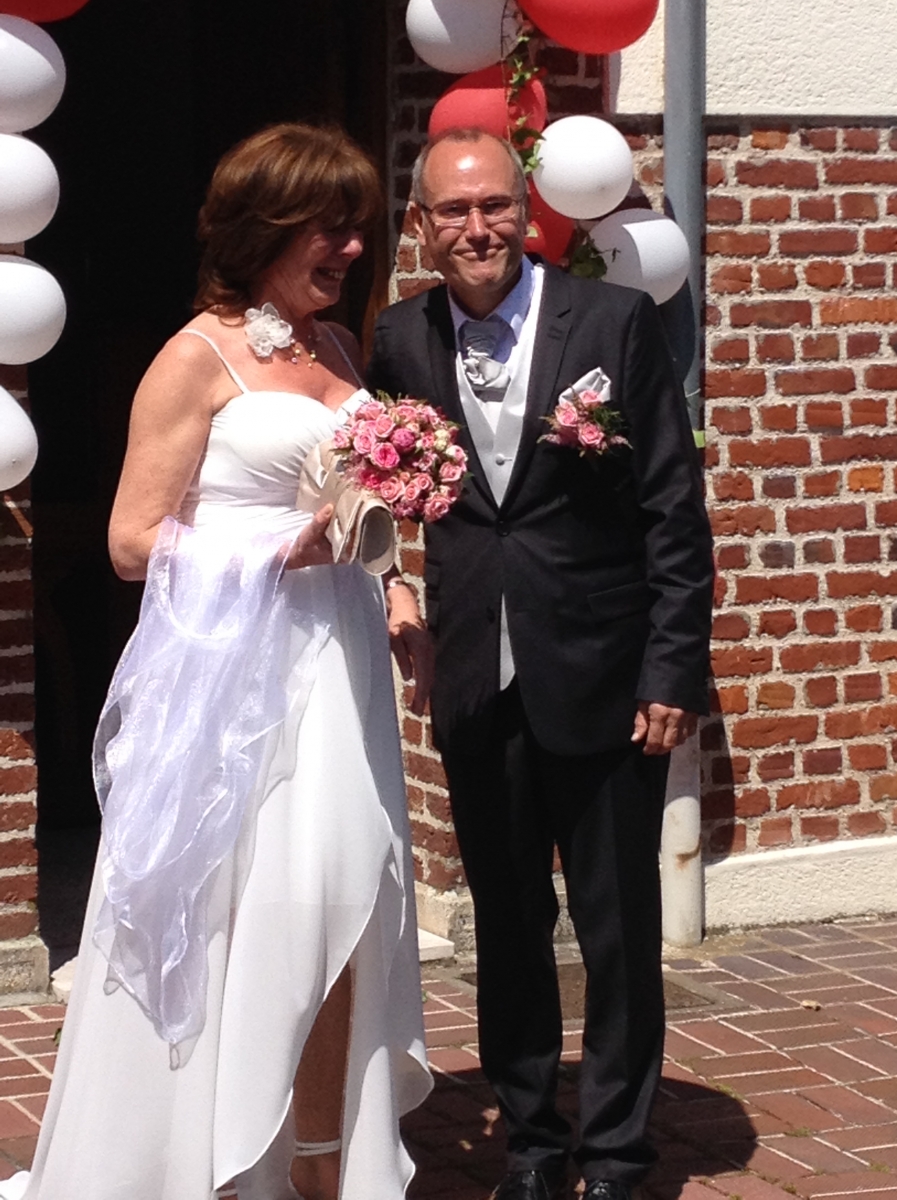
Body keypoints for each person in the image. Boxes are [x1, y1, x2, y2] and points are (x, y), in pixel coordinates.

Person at [3, 122, 433, 1200]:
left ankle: (324, 1163)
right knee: (252, 910)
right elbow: (130, 541)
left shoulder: (337, 352)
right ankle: (209, 1157)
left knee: (347, 899)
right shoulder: (195, 357)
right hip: (240, 683)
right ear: (261, 230)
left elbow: (354, 510)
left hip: (341, 668)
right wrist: (277, 552)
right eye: (327, 228)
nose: (350, 249)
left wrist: (395, 583)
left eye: (357, 228)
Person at [367, 129, 713, 1200]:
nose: (477, 228)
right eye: (453, 210)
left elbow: (673, 511)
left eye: (495, 207)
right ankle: (530, 1141)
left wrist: (671, 671)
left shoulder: (610, 321)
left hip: (606, 675)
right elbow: (363, 494)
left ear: (527, 212)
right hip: (478, 676)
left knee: (618, 932)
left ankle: (614, 1155)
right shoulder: (399, 339)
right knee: (509, 924)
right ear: (420, 226)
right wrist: (393, 586)